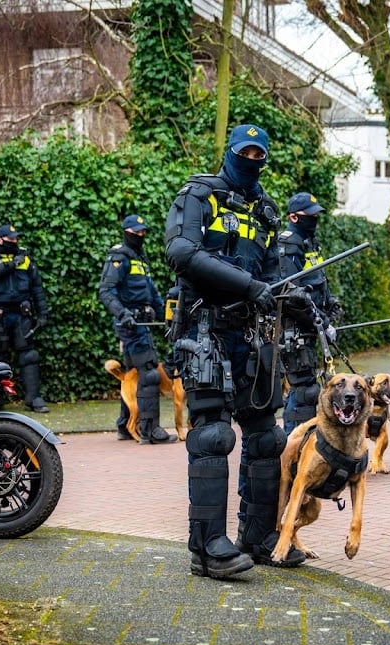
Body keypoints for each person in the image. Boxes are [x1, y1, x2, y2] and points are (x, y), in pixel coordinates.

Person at [165, 122, 305, 579]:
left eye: (258, 154)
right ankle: (206, 548)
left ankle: (259, 536)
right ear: (229, 152)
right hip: (205, 328)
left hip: (250, 335)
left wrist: (291, 299)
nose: (250, 160)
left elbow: (272, 274)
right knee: (212, 436)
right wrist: (249, 286)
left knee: (267, 436)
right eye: (243, 152)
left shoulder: (265, 209)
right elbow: (182, 253)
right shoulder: (199, 195)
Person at [98, 214, 178, 445]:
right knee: (150, 373)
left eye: (143, 232)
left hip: (143, 324)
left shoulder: (140, 260)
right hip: (130, 325)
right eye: (136, 232)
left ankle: (125, 425)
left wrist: (168, 316)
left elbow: (152, 294)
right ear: (126, 232)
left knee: (133, 374)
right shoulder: (119, 258)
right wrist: (123, 314)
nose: (141, 235)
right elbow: (106, 291)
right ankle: (150, 430)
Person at [277, 191, 342, 434]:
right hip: (296, 328)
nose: (314, 220)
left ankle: (303, 443)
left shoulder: (308, 242)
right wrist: (322, 322)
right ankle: (293, 446)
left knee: (307, 386)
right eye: (310, 216)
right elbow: (292, 294)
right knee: (303, 389)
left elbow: (317, 280)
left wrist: (330, 304)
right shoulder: (288, 245)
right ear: (294, 217)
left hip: (312, 326)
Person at [0, 223, 51, 412]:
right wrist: (11, 265)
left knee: (29, 356)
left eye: (16, 238)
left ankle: (33, 399)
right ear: (0, 239)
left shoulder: (25, 258)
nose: (14, 242)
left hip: (21, 315)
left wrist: (42, 313)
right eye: (10, 239)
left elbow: (37, 288)